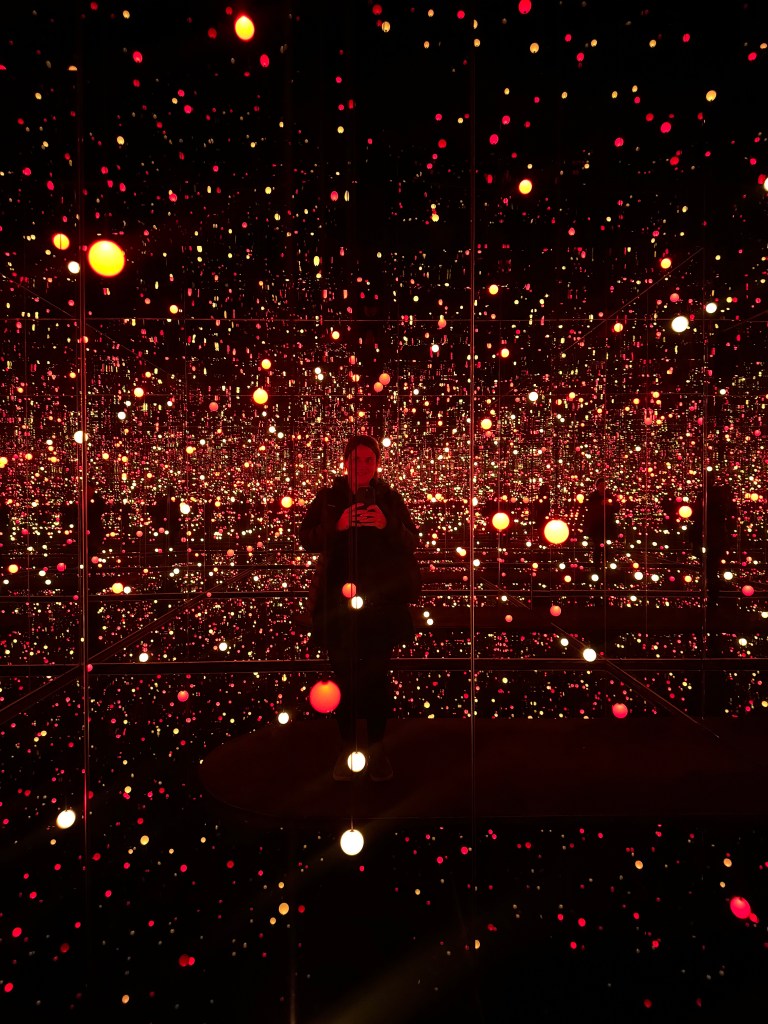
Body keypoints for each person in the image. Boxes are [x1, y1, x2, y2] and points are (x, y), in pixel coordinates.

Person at [299, 435, 419, 782]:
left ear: (377, 464)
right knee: (345, 681)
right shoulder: (329, 497)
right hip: (337, 609)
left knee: (377, 681)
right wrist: (336, 526)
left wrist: (386, 523)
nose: (363, 466)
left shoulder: (389, 498)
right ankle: (348, 748)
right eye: (356, 459)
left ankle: (377, 750)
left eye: (369, 460)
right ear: (345, 463)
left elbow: (413, 541)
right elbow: (306, 537)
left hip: (381, 607)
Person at [693, 476, 738, 607]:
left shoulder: (706, 500)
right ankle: (713, 597)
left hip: (709, 541)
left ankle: (711, 597)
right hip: (716, 541)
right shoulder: (720, 502)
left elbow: (697, 519)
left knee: (709, 571)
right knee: (712, 570)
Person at [582, 477, 618, 572]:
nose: (602, 487)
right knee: (598, 547)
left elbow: (617, 507)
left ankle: (606, 567)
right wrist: (600, 505)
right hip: (597, 527)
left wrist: (611, 504)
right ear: (597, 486)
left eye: (604, 485)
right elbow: (589, 508)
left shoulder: (609, 496)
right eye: (601, 485)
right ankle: (597, 567)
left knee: (607, 548)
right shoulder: (592, 497)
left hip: (608, 526)